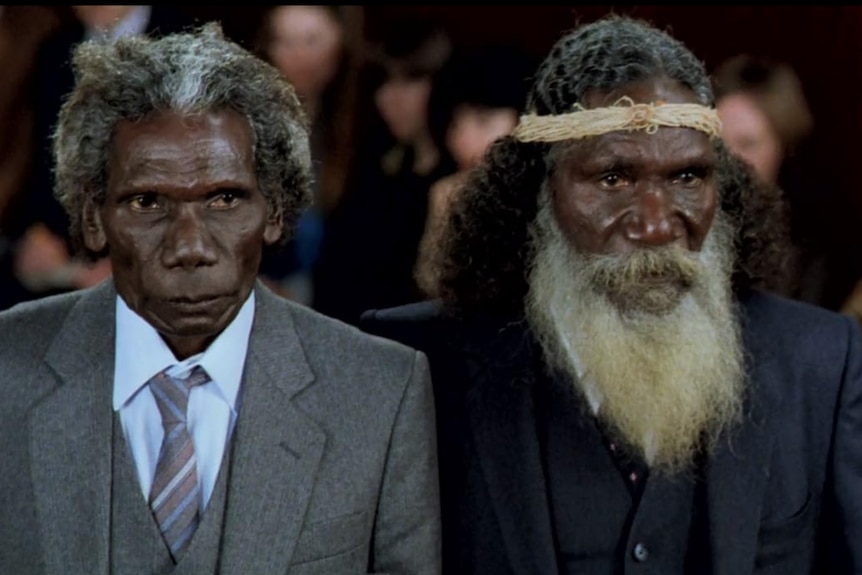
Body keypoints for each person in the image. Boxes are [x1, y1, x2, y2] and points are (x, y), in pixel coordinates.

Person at [361, 15, 862, 574]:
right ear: (539, 191)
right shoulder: (411, 367)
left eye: (687, 179)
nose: (654, 226)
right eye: (613, 179)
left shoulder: (820, 363)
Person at [0, 23, 440, 575]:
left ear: (276, 212)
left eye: (225, 198)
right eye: (146, 202)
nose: (190, 247)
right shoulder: (6, 372)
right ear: (93, 220)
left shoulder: (379, 391)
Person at [312, 17, 456, 325]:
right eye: (384, 81)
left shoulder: (454, 184)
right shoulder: (373, 170)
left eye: (410, 80)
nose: (388, 97)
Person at [253, 5, 365, 305]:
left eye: (312, 40)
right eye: (285, 41)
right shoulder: (245, 125)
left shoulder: (367, 127)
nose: (299, 55)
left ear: (341, 43)